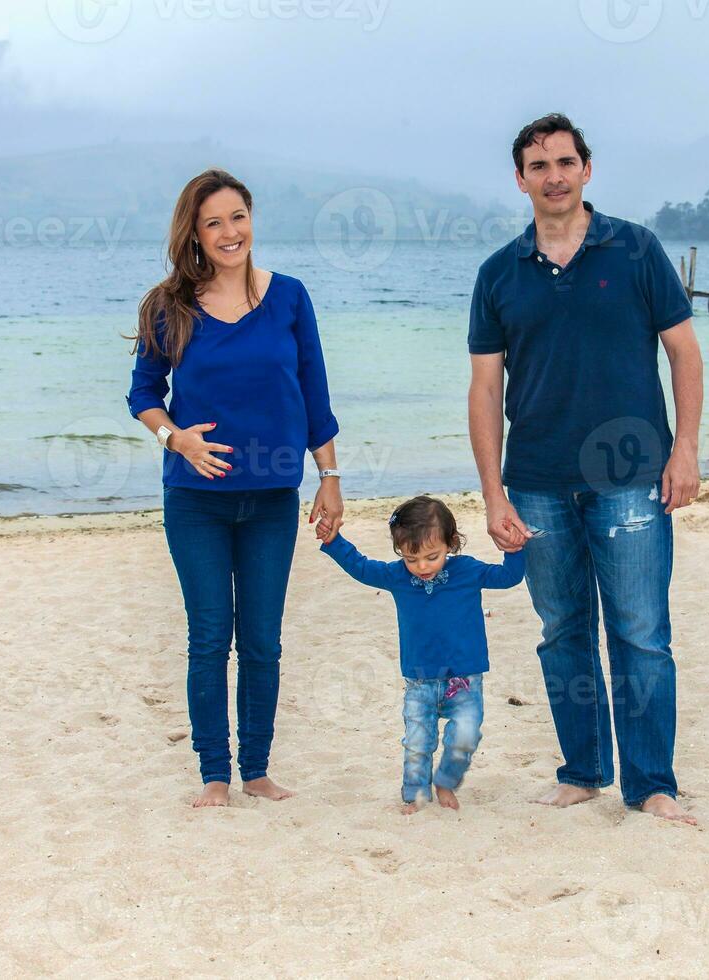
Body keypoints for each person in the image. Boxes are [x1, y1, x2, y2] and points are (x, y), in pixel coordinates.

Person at [467, 114, 705, 825]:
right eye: (538, 167)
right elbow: (485, 389)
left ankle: (652, 784)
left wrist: (685, 448)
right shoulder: (499, 273)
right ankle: (582, 771)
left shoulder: (636, 250)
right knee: (562, 630)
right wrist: (492, 491)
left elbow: (684, 354)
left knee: (639, 633)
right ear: (520, 180)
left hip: (633, 476)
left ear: (587, 169)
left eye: (565, 162)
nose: (554, 176)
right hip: (537, 482)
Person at [125, 168, 344, 809]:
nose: (230, 232)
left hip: (273, 499)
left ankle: (257, 770)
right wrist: (178, 440)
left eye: (238, 217)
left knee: (263, 640)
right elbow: (143, 394)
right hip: (194, 503)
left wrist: (329, 478)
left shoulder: (290, 297)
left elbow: (315, 396)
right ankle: (214, 776)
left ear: (253, 220)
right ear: (194, 232)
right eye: (214, 222)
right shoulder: (168, 306)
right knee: (209, 636)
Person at [319, 496, 525, 812]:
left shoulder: (467, 570)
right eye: (411, 558)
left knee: (466, 737)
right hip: (419, 681)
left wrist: (514, 550)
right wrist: (334, 541)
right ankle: (415, 794)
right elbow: (360, 566)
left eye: (432, 556)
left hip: (465, 679)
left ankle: (445, 781)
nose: (422, 567)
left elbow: (508, 577)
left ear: (451, 543)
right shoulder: (397, 576)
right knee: (417, 743)